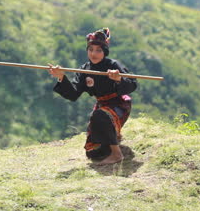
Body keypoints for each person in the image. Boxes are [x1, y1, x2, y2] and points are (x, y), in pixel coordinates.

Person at [48, 28, 137, 165]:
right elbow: (73, 94)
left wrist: (119, 79)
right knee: (93, 152)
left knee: (100, 115)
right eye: (91, 50)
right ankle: (114, 137)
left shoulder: (113, 65)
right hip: (101, 107)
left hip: (119, 105)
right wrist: (61, 77)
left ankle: (116, 154)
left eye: (98, 50)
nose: (94, 53)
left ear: (104, 51)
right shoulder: (84, 70)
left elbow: (132, 85)